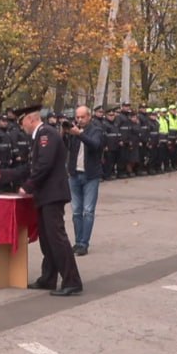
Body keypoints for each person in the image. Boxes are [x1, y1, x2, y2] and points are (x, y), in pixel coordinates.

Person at [16, 106, 83, 295]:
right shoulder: (40, 135)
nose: (22, 127)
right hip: (45, 195)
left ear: (30, 119)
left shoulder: (46, 134)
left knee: (57, 238)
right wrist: (4, 174)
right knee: (47, 239)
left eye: (22, 123)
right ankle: (48, 278)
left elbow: (44, 165)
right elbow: (32, 166)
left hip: (52, 194)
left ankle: (72, 281)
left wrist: (28, 186)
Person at [66, 106, 104, 256]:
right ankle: (78, 241)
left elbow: (95, 145)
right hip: (74, 174)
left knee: (88, 211)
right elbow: (66, 147)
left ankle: (84, 243)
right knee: (76, 211)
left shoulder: (96, 130)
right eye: (77, 117)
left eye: (82, 117)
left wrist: (80, 134)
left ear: (89, 117)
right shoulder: (74, 131)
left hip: (90, 175)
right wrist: (65, 133)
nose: (79, 120)